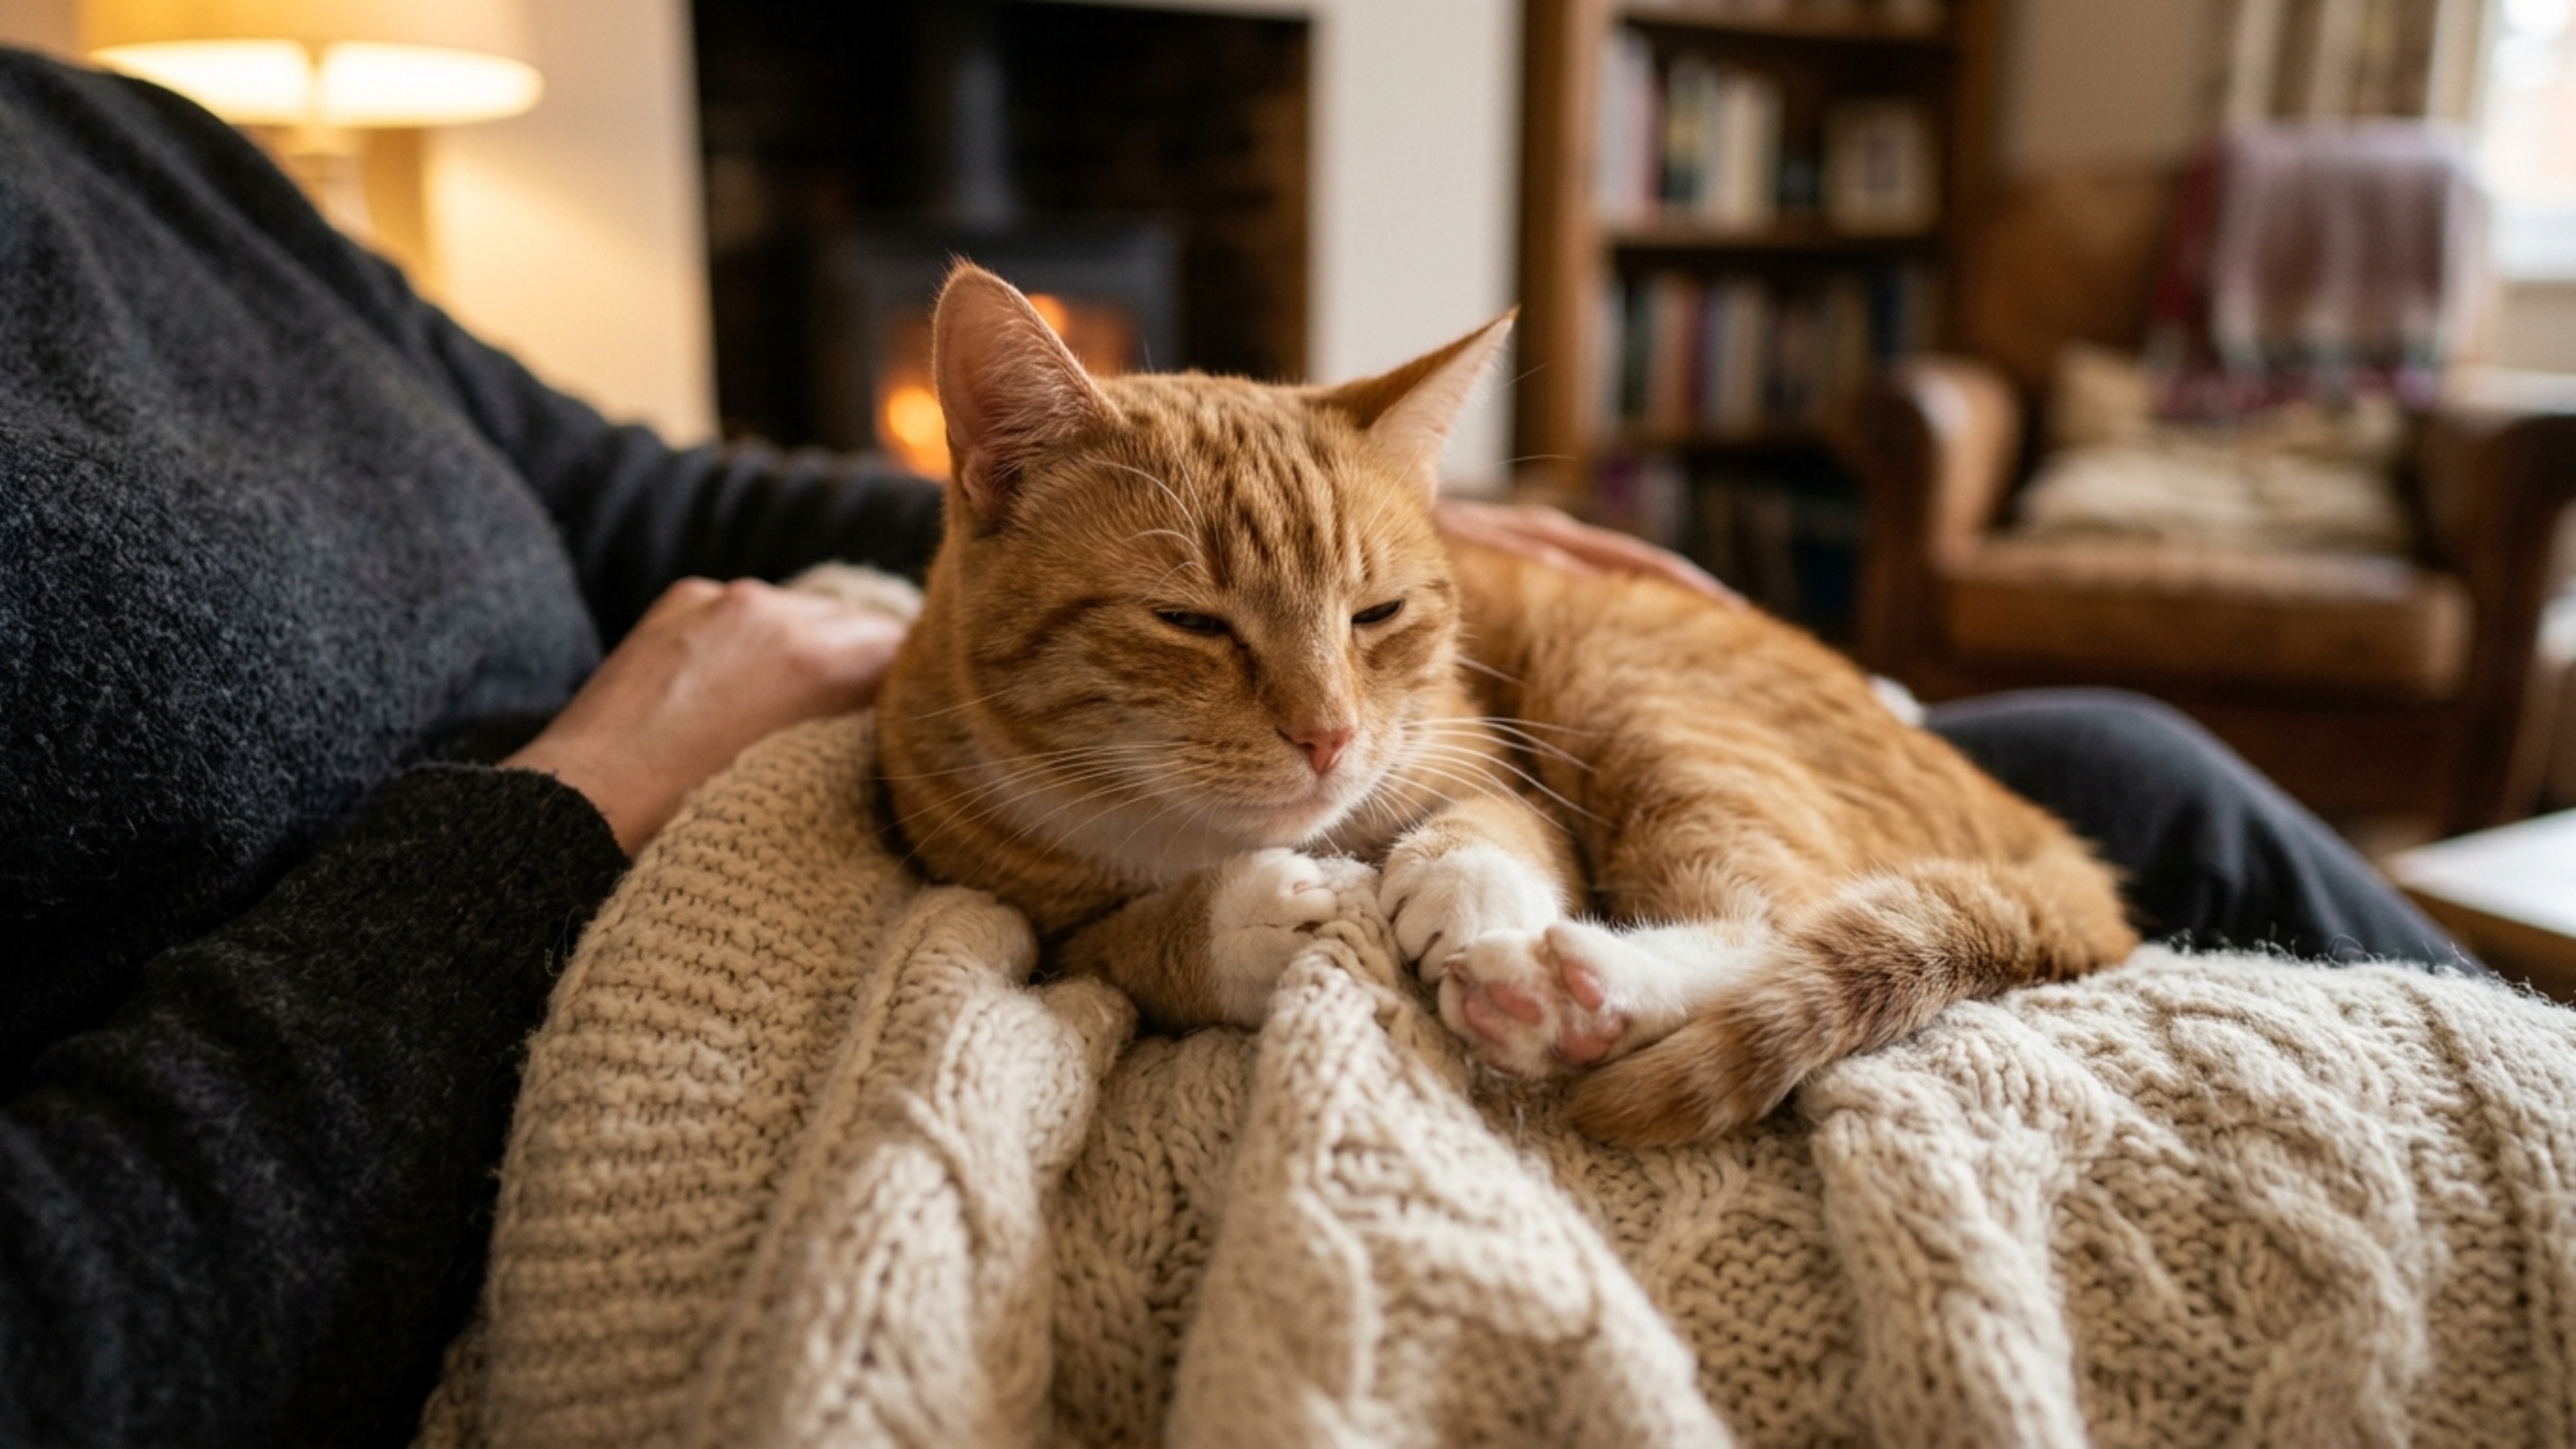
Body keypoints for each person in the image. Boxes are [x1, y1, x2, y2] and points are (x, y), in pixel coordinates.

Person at [0, 45, 2470, 1449]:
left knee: (2127, 765)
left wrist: (1353, 519)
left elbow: (639, 488)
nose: (1314, 723)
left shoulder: (135, 143)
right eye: (1230, 643)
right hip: (513, 991)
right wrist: (560, 812)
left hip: (1131, 670)